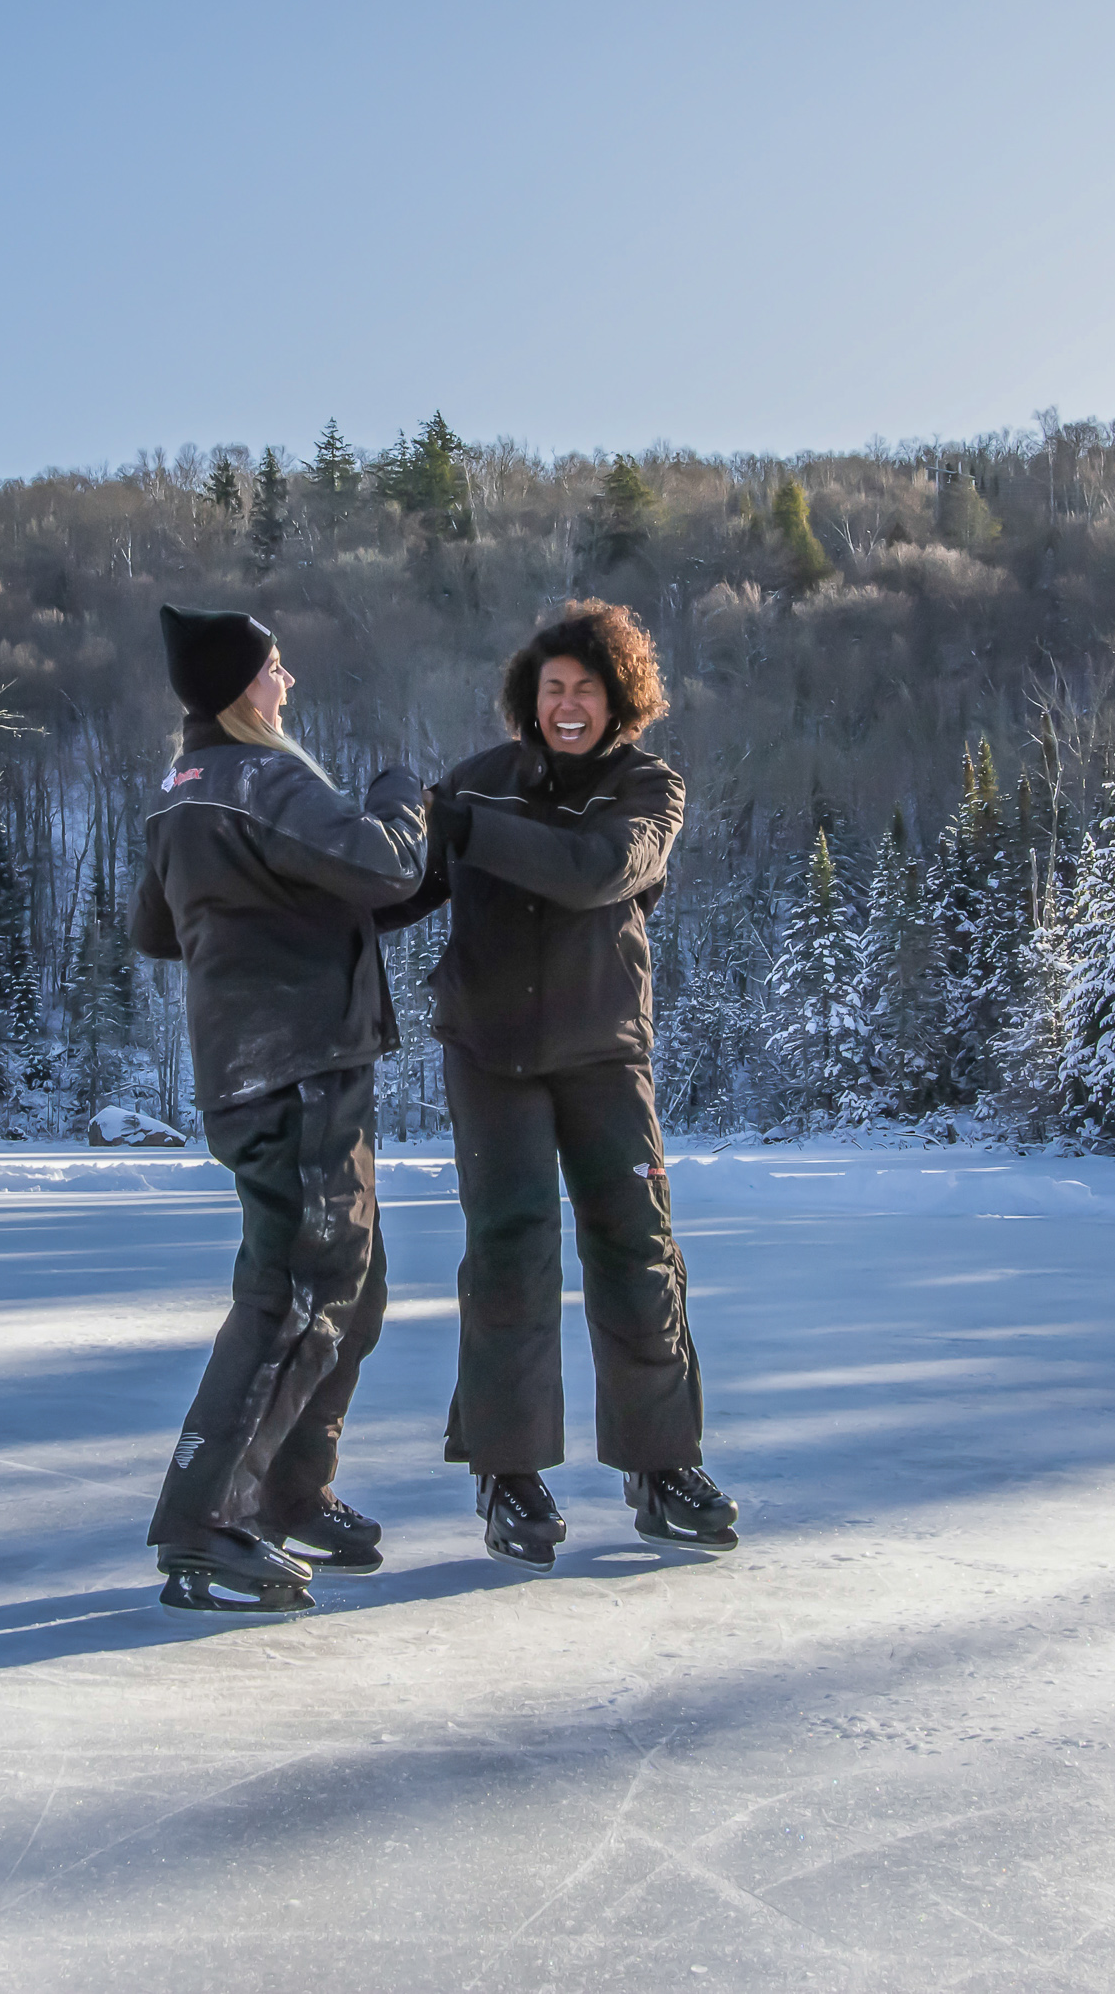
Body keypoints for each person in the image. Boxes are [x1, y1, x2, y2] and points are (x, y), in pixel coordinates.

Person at [381, 599, 739, 1572]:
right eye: (551, 689)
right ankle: (509, 1474)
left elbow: (594, 869)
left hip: (602, 1048)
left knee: (638, 1246)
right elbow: (395, 894)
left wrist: (467, 825)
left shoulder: (644, 787)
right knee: (509, 1249)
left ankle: (661, 1467)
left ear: (618, 694)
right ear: (525, 699)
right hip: (488, 1048)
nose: (567, 703)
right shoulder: (476, 783)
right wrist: (291, 876)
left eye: (584, 687)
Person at [130, 605, 428, 1613]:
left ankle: (287, 1489)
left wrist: (273, 906)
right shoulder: (266, 776)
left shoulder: (183, 790)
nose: (286, 681)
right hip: (297, 1073)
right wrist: (399, 796)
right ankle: (206, 1517)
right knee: (300, 1293)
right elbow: (386, 859)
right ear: (237, 688)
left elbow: (154, 926)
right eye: (272, 667)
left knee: (356, 1285)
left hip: (253, 1073)